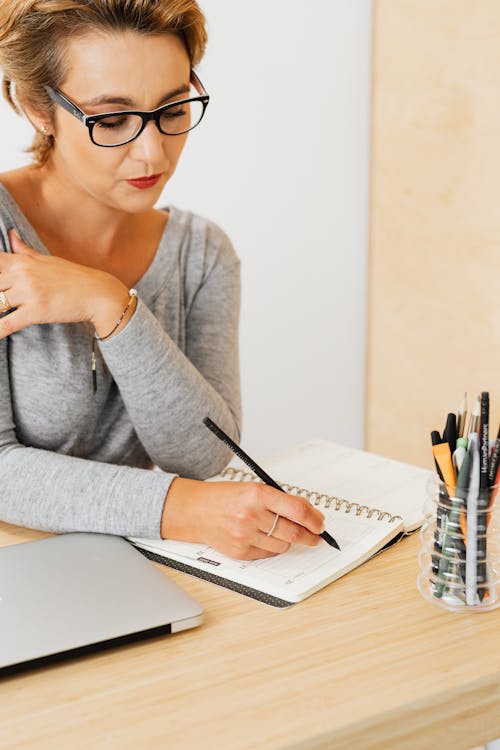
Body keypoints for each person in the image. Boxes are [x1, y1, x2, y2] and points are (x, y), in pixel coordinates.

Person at [0, 0, 325, 560]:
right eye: (112, 119)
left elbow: (202, 457)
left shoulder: (201, 255)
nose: (153, 152)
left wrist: (111, 304)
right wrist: (186, 509)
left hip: (129, 565)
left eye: (173, 109)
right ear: (35, 106)